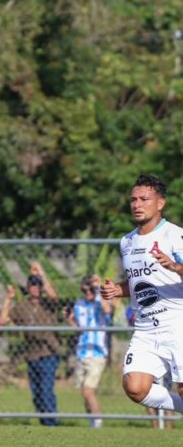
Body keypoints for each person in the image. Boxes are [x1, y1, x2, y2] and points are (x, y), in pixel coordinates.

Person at [101, 174, 183, 415]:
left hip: (177, 324)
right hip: (146, 327)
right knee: (135, 387)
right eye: (133, 199)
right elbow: (141, 282)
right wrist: (118, 289)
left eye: (144, 199)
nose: (137, 204)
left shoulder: (174, 235)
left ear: (160, 203)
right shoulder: (127, 242)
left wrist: (175, 267)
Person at [0, 262, 61, 426]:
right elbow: (2, 321)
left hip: (48, 353)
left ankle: (52, 424)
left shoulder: (47, 304)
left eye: (38, 285)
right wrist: (8, 299)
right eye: (32, 285)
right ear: (28, 287)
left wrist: (41, 272)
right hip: (32, 354)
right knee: (37, 393)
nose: (35, 288)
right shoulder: (23, 306)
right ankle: (44, 422)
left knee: (46, 390)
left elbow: (53, 295)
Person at [68, 274, 111, 428]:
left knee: (88, 391)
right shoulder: (79, 304)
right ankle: (92, 423)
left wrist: (98, 287)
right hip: (82, 352)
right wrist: (69, 320)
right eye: (84, 290)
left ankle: (98, 422)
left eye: (90, 290)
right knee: (85, 393)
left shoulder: (101, 301)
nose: (88, 293)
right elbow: (78, 328)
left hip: (97, 354)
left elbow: (107, 310)